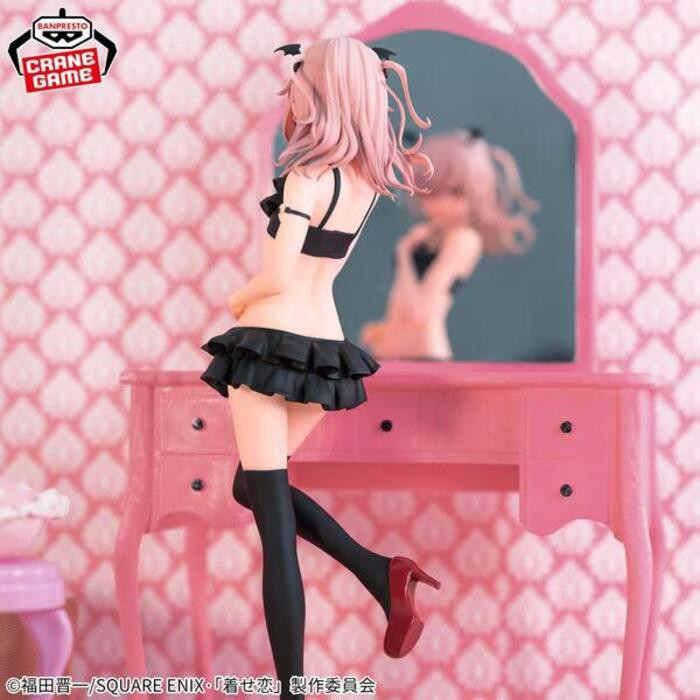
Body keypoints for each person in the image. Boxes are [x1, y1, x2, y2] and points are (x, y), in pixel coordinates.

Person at [199, 36, 441, 699]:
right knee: (253, 488)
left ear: (322, 95)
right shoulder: (364, 183)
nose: (293, 99)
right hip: (324, 353)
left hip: (270, 344)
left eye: (298, 87)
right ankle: (380, 573)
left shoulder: (308, 177)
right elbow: (321, 273)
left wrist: (238, 299)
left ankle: (293, 689)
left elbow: (277, 277)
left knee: (274, 532)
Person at [361, 128, 539, 360]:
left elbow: (422, 311)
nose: (436, 203)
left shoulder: (464, 239)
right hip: (400, 354)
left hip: (422, 357)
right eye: (429, 192)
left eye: (452, 192)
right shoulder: (433, 234)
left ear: (473, 191)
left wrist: (405, 254)